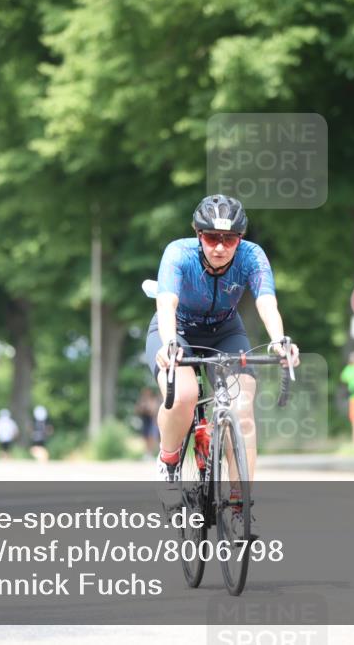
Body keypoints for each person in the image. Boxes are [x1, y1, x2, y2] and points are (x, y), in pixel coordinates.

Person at [145, 194, 300, 492]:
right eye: (212, 237)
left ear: (240, 239)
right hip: (177, 330)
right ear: (198, 234)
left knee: (242, 410)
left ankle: (240, 504)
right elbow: (166, 304)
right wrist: (168, 345)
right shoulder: (179, 254)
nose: (219, 246)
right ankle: (169, 459)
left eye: (229, 240)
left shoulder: (252, 256)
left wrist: (279, 341)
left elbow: (267, 302)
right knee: (183, 396)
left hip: (225, 330)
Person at [134, 387, 161, 459]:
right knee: (145, 437)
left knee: (152, 437)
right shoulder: (141, 401)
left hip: (151, 421)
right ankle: (147, 453)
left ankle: (151, 453)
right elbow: (137, 410)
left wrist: (147, 408)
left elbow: (153, 411)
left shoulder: (153, 400)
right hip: (144, 420)